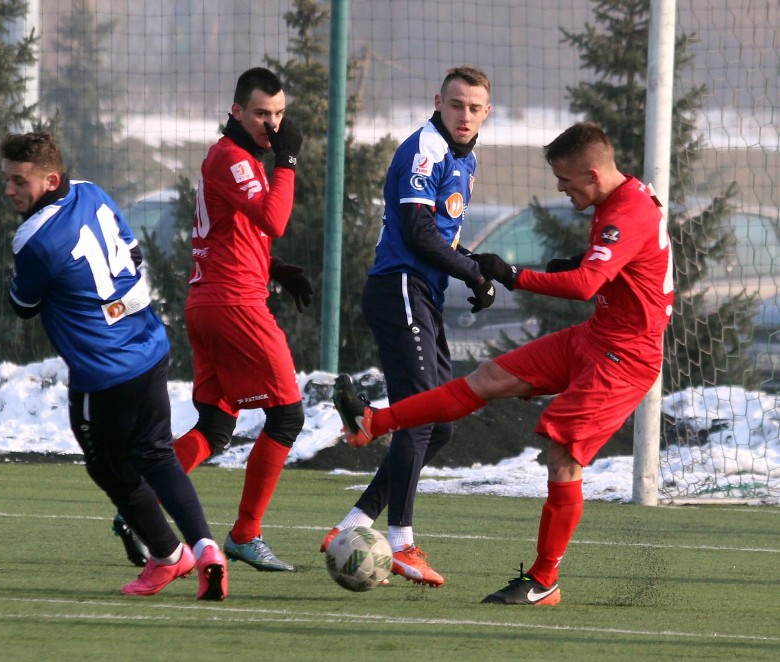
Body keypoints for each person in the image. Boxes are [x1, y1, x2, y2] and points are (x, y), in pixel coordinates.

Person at [333, 121, 674, 604]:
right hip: (598, 335)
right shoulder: (625, 197)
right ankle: (373, 421)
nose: (560, 188)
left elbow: (585, 286)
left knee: (563, 455)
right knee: (489, 376)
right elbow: (615, 264)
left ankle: (543, 579)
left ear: (593, 175)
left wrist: (514, 275)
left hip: (626, 356)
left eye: (565, 180)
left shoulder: (629, 210)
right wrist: (566, 262)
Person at [3, 132, 228, 600]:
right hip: (148, 347)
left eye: (19, 181)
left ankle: (168, 557)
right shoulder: (92, 192)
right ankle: (208, 549)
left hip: (102, 372)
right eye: (6, 180)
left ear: (49, 179)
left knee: (108, 468)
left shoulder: (33, 237)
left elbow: (23, 304)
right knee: (158, 454)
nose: (9, 191)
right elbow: (134, 253)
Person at [320, 65, 496, 588]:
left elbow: (438, 236)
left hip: (421, 296)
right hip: (400, 288)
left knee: (439, 424)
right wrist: (472, 271)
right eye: (456, 105)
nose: (464, 115)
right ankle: (401, 541)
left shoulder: (465, 159)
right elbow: (418, 233)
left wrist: (475, 265)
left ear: (487, 112)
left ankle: (351, 526)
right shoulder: (426, 149)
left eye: (474, 107)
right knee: (419, 419)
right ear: (438, 101)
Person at [166, 66, 310, 573]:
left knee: (215, 422)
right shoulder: (234, 157)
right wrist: (289, 160)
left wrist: (274, 267)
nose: (271, 125)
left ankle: (141, 503)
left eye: (279, 115)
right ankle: (246, 534)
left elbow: (237, 233)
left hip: (208, 302)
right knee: (289, 416)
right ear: (236, 111)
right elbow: (274, 219)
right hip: (234, 306)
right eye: (260, 114)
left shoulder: (233, 156)